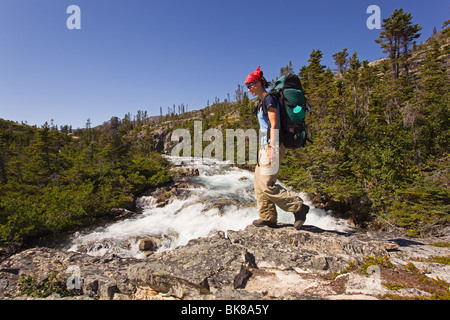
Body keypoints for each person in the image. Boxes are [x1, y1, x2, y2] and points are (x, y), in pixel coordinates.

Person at [245, 66, 309, 229]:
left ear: (259, 83)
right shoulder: (262, 101)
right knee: (259, 183)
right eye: (247, 86)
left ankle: (298, 207)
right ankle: (268, 217)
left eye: (250, 85)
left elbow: (274, 124)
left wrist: (272, 147)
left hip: (272, 145)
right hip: (264, 147)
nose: (249, 88)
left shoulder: (269, 99)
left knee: (267, 183)